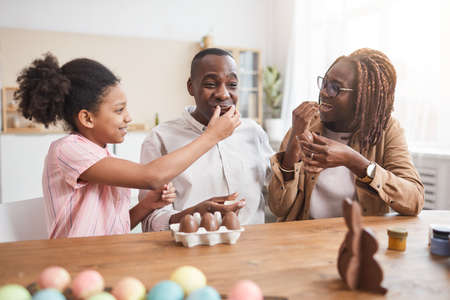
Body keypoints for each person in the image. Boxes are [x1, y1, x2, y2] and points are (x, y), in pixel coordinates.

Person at [15, 53, 240, 238]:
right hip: (76, 262)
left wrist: (146, 206)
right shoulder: (67, 150)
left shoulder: (103, 156)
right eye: (119, 110)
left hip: (107, 260)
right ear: (87, 118)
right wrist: (212, 136)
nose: (128, 117)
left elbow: (113, 229)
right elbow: (151, 176)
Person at [268, 48, 424, 221]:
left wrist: (353, 161)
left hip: (357, 243)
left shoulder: (386, 130)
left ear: (362, 98)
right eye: (324, 83)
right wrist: (293, 145)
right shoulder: (305, 125)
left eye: (336, 87)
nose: (324, 92)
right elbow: (278, 208)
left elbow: (415, 200)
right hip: (305, 242)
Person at [139, 48, 273, 231]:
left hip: (252, 251)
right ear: (190, 87)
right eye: (210, 84)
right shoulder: (160, 138)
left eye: (232, 84)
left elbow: (276, 194)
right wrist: (191, 215)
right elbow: (149, 220)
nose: (223, 94)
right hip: (188, 253)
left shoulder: (253, 132)